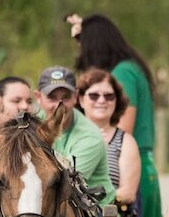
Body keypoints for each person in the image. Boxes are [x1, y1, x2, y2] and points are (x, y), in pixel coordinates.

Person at [69, 13, 164, 217]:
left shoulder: (122, 73)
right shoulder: (132, 67)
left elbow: (121, 129)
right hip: (143, 164)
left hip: (131, 166)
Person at [33, 65, 115, 206]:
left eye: (65, 98)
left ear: (76, 97)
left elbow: (63, 181)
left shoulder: (91, 136)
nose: (58, 105)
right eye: (51, 98)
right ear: (38, 97)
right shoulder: (30, 124)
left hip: (90, 206)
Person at [76, 68, 142, 217]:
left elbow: (128, 193)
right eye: (94, 95)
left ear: (117, 101)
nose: (101, 100)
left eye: (109, 96)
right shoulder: (67, 136)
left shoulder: (125, 141)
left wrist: (87, 198)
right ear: (81, 100)